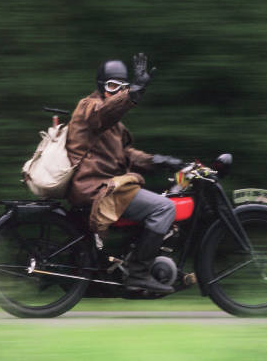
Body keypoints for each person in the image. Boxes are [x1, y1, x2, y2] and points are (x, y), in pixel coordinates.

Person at [65, 53, 183, 293]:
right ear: (101, 87)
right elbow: (103, 114)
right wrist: (134, 93)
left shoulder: (114, 124)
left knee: (161, 201)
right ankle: (138, 274)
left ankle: (132, 262)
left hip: (107, 185)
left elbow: (126, 154)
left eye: (123, 87)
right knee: (164, 208)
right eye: (112, 86)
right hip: (95, 187)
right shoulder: (89, 108)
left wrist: (160, 161)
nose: (117, 91)